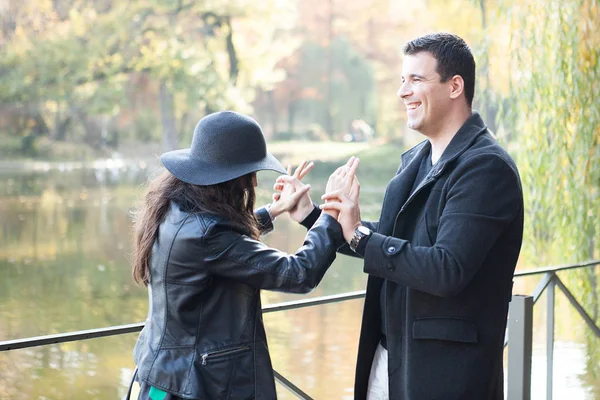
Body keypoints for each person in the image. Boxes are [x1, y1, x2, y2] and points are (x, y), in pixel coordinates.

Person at [277, 33, 524, 399]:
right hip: (388, 361)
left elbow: (446, 268)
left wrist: (359, 235)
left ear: (455, 86)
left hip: (444, 376)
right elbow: (391, 240)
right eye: (401, 80)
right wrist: (314, 217)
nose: (402, 92)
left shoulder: (486, 167)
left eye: (416, 80)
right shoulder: (416, 161)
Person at [128, 110, 359, 400]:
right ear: (229, 179)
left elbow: (221, 249)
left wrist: (273, 210)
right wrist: (330, 214)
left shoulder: (173, 209)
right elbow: (298, 273)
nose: (254, 185)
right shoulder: (210, 235)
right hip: (196, 385)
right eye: (250, 175)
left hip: (163, 379)